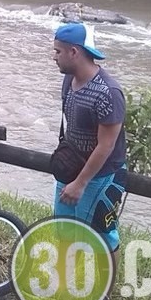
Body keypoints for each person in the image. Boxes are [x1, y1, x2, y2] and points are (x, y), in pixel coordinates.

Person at [52, 23, 127, 257]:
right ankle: (65, 284)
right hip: (71, 169)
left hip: (100, 176)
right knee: (63, 230)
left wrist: (81, 183)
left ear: (74, 52)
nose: (53, 57)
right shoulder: (69, 81)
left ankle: (102, 293)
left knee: (101, 236)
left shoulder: (108, 93)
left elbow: (106, 145)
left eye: (57, 51)